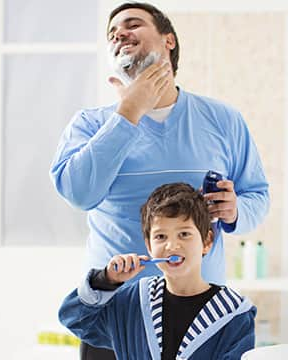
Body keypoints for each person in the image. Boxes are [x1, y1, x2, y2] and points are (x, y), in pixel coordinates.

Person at [50, 3, 269, 357]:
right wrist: (129, 113)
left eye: (132, 24)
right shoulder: (90, 125)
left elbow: (258, 196)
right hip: (115, 317)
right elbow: (78, 193)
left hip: (198, 312)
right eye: (112, 33)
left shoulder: (223, 120)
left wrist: (235, 209)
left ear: (169, 41)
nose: (119, 34)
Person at [59, 183, 256, 360]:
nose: (172, 246)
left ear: (206, 242)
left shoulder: (234, 314)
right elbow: (75, 319)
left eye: (184, 234)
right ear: (149, 245)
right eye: (161, 236)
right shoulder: (132, 303)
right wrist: (106, 280)